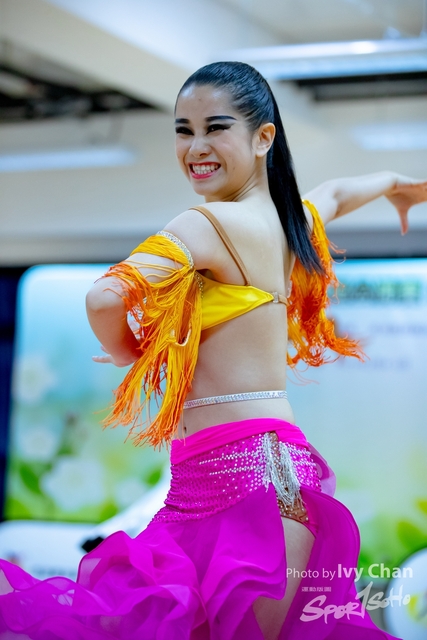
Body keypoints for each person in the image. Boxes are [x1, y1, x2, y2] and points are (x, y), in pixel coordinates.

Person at [0, 61, 426, 639]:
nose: (196, 147)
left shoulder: (204, 224)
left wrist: (129, 353)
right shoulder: (290, 224)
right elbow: (336, 194)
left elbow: (104, 298)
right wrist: (395, 183)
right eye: (183, 130)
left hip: (247, 475)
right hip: (240, 474)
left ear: (263, 137)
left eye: (215, 127)